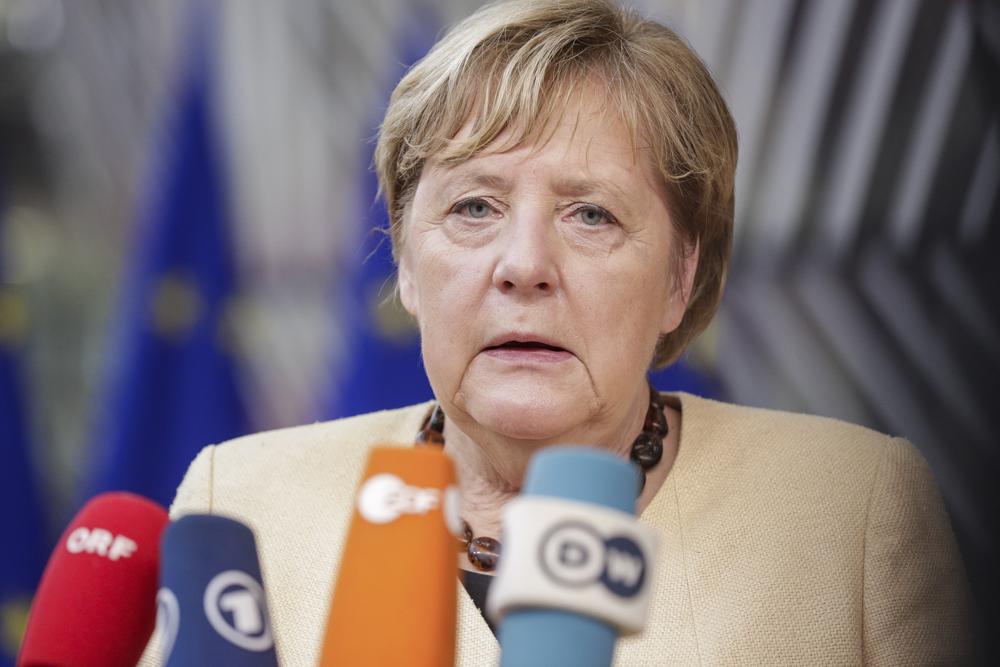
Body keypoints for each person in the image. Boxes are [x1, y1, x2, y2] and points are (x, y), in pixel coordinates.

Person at [142, 0, 972, 664]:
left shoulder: (851, 508)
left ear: (681, 278)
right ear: (402, 261)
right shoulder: (242, 501)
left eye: (591, 214)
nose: (524, 264)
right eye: (474, 207)